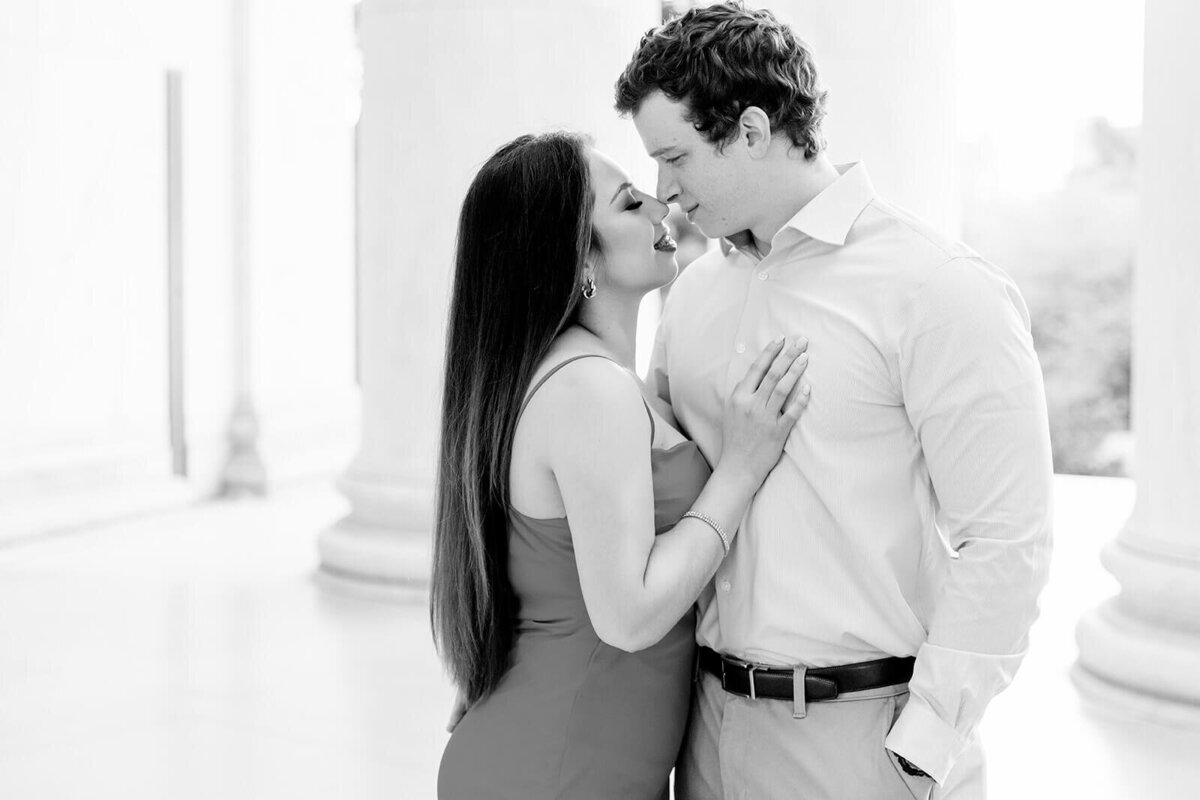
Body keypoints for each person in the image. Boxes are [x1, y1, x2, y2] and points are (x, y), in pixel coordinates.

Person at [614, 4, 1054, 799]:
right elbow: (649, 493)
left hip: (863, 742)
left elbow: (1006, 540)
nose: (664, 192)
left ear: (750, 130)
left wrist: (923, 748)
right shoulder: (693, 295)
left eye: (673, 157)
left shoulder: (938, 287)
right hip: (704, 733)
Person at [430, 131, 812, 800]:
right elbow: (629, 615)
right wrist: (742, 469)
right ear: (579, 253)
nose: (663, 206)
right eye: (630, 203)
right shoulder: (589, 389)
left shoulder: (590, 378)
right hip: (558, 769)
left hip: (569, 757)